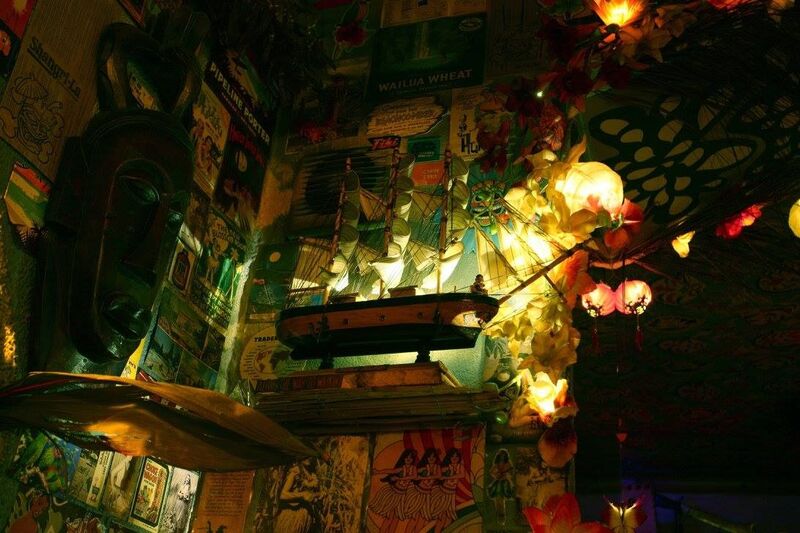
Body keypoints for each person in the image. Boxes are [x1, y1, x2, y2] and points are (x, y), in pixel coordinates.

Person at [369, 448, 418, 533]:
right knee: (389, 517)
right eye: (407, 457)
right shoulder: (401, 468)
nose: (408, 459)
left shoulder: (413, 469)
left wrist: (398, 478)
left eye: (411, 458)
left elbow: (413, 476)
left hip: (402, 496)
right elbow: (391, 471)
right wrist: (378, 472)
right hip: (394, 494)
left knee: (396, 519)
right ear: (403, 458)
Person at [274, 459, 320, 533]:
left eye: (310, 456)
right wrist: (302, 495)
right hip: (292, 515)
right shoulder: (296, 472)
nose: (308, 458)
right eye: (305, 456)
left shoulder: (313, 474)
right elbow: (283, 495)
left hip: (305, 517)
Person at [432, 448, 464, 532]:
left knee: (449, 518)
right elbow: (439, 476)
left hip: (451, 494)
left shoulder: (460, 467)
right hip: (443, 493)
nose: (454, 458)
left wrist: (447, 476)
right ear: (449, 457)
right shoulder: (445, 467)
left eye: (456, 456)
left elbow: (461, 475)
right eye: (452, 456)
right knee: (442, 517)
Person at [487, 449, 514, 524]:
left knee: (502, 500)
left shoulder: (508, 463)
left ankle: (502, 517)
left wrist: (506, 475)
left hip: (504, 483)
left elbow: (511, 472)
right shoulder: (497, 463)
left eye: (503, 455)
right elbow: (491, 471)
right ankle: (500, 517)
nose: (502, 456)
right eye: (501, 455)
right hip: (498, 483)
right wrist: (496, 475)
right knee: (498, 499)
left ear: (505, 456)